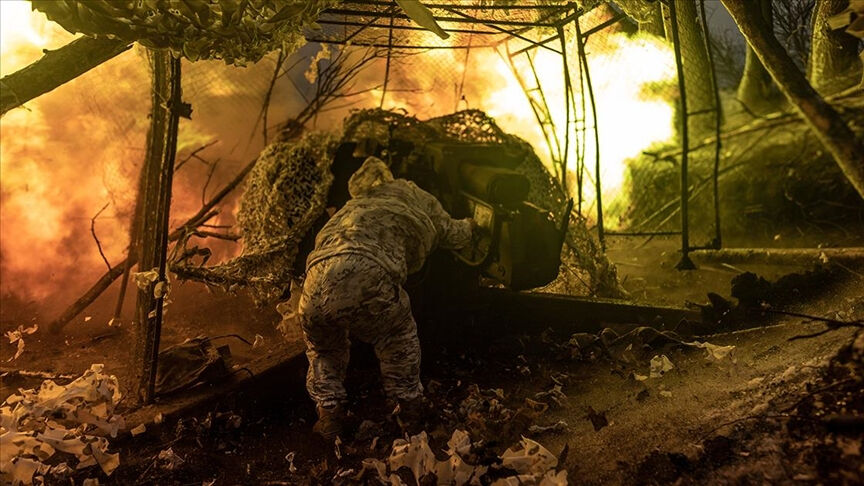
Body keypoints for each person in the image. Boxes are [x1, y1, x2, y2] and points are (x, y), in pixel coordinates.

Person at [298, 156, 475, 440]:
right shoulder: (410, 192)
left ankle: (329, 418)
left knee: (324, 350)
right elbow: (452, 233)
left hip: (315, 280)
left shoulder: (351, 205)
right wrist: (474, 224)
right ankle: (411, 415)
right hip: (363, 270)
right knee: (397, 336)